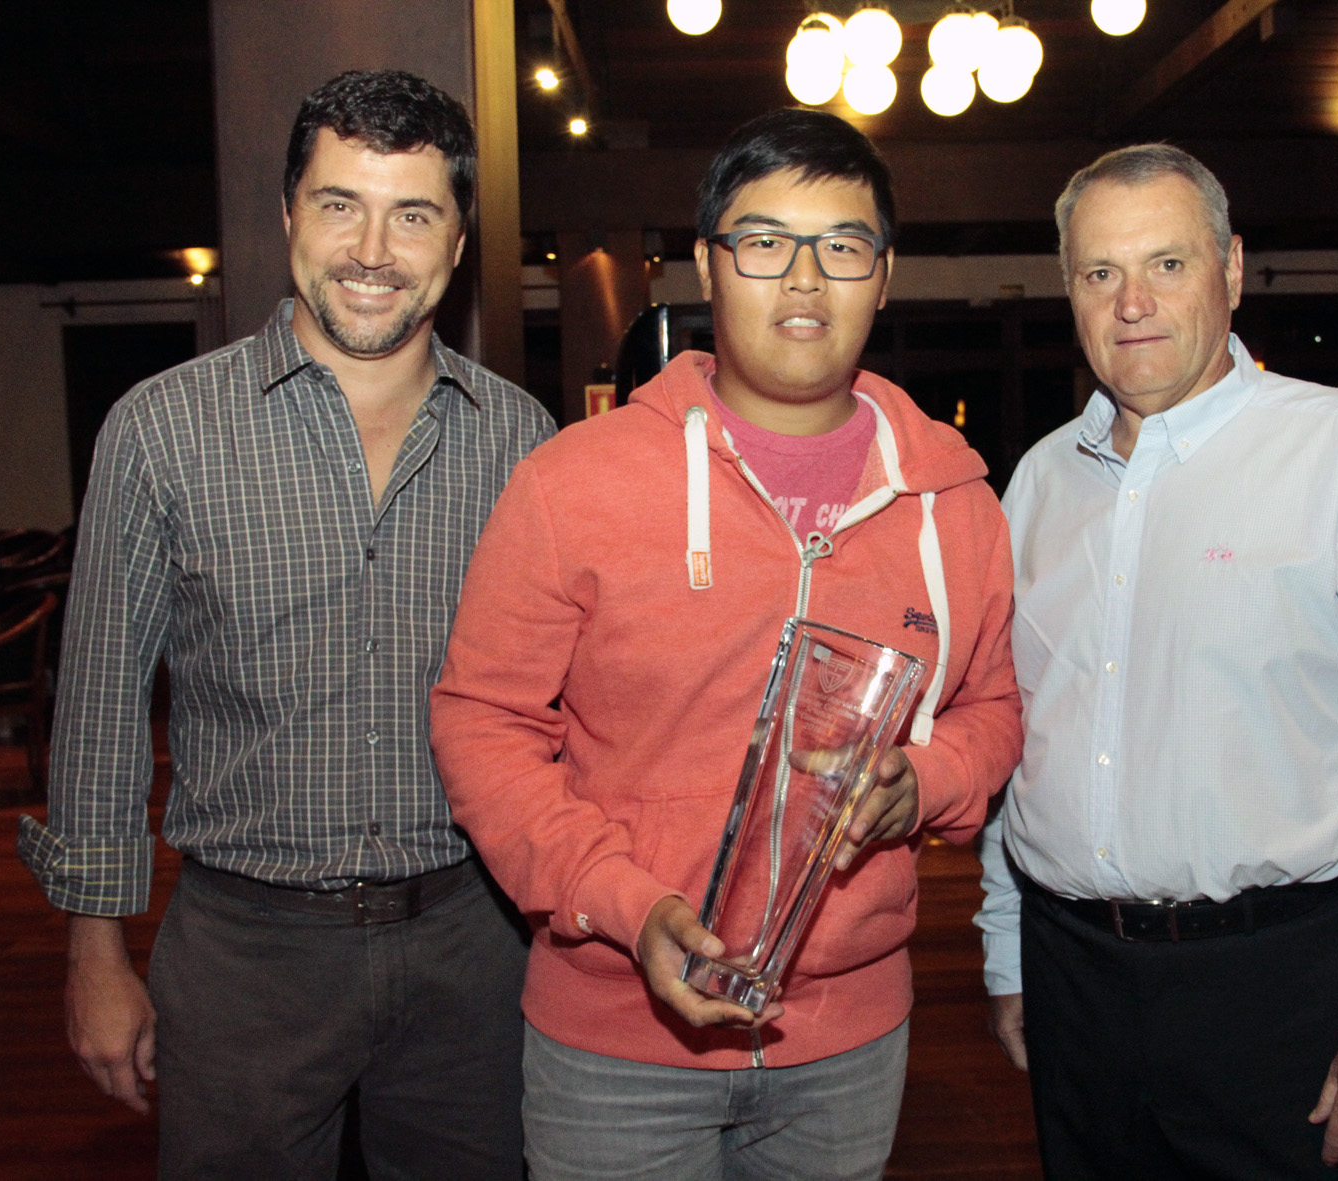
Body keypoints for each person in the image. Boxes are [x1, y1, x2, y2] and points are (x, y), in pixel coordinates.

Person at [430, 107, 1021, 1180]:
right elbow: (482, 723)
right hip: (612, 1037)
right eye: (763, 242)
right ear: (708, 264)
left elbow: (990, 709)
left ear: (881, 278)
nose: (803, 279)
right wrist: (626, 902)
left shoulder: (955, 501)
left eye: (841, 247)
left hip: (846, 1041)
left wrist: (921, 780)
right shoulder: (573, 481)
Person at [16, 70, 554, 1177]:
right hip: (243, 952)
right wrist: (94, 949)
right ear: (286, 216)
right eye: (338, 203)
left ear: (456, 242)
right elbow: (102, 704)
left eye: (412, 213)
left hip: (474, 938)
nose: (372, 248)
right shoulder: (160, 430)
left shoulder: (522, 439)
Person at [975, 144, 1338, 1179]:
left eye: (1166, 264)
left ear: (1229, 270)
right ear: (1068, 289)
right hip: (1072, 981)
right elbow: (1020, 742)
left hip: (1286, 990)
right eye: (1099, 273)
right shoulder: (1040, 484)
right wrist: (1010, 954)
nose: (1130, 301)